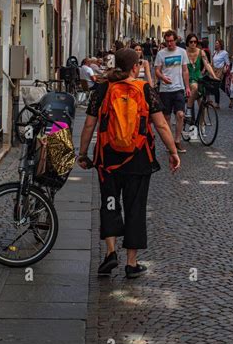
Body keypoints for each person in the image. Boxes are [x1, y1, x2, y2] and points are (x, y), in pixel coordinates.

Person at [78, 49, 180, 278]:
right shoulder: (145, 90)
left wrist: (83, 153)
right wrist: (173, 151)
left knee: (110, 203)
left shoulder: (102, 89)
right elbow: (162, 125)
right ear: (136, 67)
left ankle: (110, 252)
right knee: (135, 207)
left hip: (108, 158)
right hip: (139, 158)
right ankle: (131, 263)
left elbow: (88, 125)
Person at [154, 30, 190, 154]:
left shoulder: (182, 52)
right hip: (165, 90)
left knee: (180, 115)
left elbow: (185, 70)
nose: (169, 43)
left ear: (175, 40)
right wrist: (163, 78)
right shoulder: (161, 54)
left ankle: (177, 140)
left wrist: (187, 87)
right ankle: (169, 141)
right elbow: (157, 71)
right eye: (167, 41)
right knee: (167, 117)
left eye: (171, 41)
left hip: (179, 88)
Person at [185, 33, 217, 135]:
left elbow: (207, 65)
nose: (193, 44)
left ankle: (202, 125)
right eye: (191, 42)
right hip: (189, 78)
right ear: (188, 42)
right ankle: (189, 109)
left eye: (195, 42)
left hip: (199, 78)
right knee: (194, 87)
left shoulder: (201, 52)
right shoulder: (184, 53)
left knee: (202, 105)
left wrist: (214, 76)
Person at [212, 39, 230, 108]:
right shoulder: (214, 52)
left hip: (220, 71)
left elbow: (227, 63)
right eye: (215, 43)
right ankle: (232, 98)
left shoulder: (224, 53)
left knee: (217, 87)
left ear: (220, 44)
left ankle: (217, 103)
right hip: (214, 71)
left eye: (216, 43)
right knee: (222, 87)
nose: (215, 44)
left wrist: (225, 68)